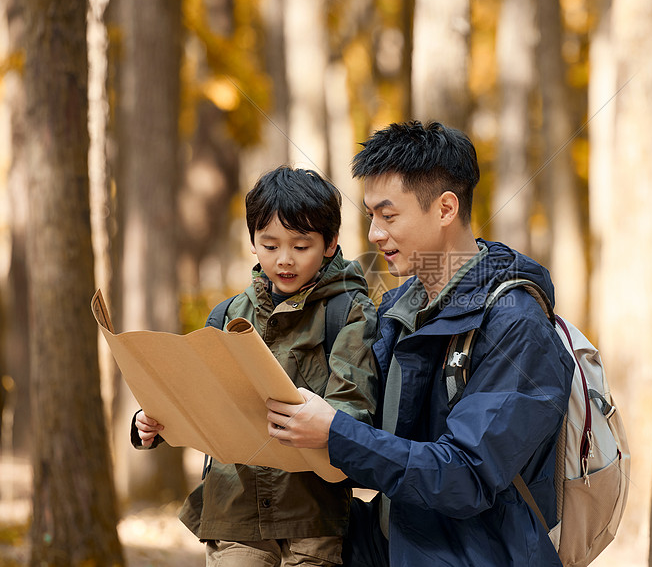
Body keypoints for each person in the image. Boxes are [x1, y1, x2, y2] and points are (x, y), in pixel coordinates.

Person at [266, 121, 573, 566]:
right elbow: (374, 439)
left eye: (388, 216)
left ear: (446, 208)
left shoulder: (516, 325)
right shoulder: (397, 310)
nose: (373, 233)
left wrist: (334, 432)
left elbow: (465, 476)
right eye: (371, 215)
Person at [133, 166, 379, 567]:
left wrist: (316, 422)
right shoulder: (227, 314)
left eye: (301, 247)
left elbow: (353, 408)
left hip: (312, 516)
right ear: (252, 242)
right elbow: (195, 399)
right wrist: (153, 421)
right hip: (234, 512)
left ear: (331, 243)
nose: (284, 260)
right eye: (269, 245)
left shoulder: (348, 312)